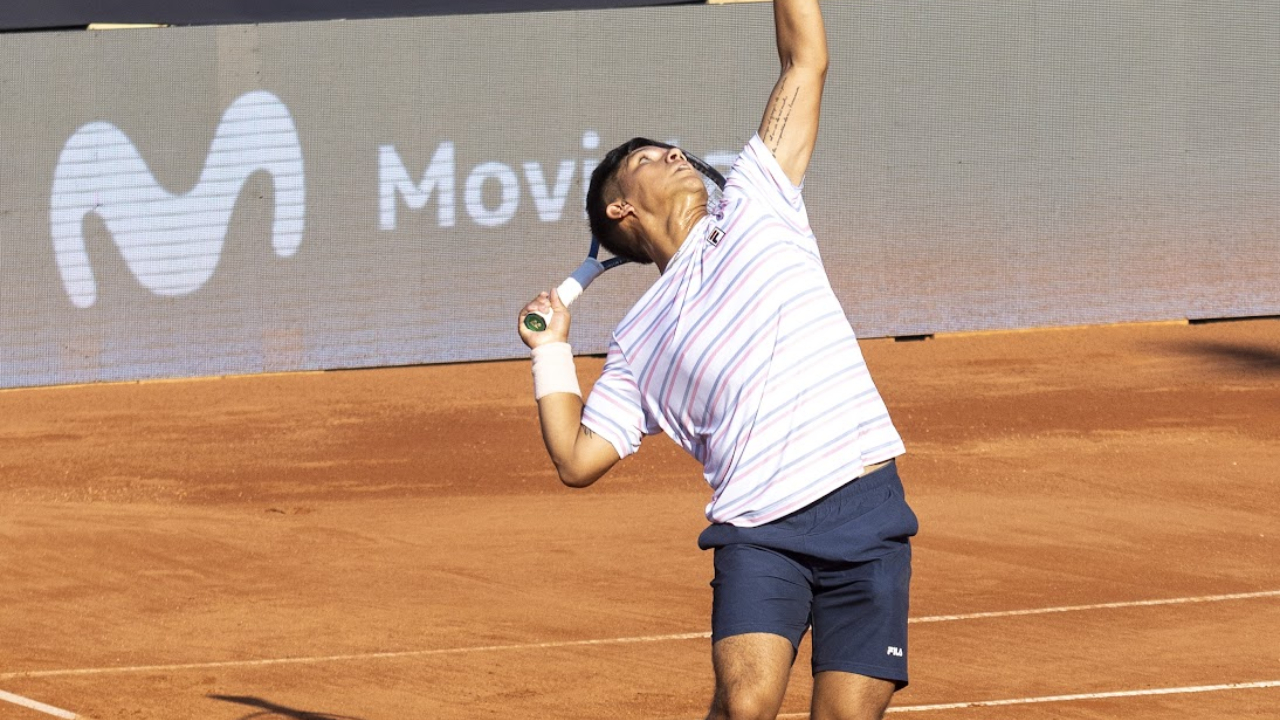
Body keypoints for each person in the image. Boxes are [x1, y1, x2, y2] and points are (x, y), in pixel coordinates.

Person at [517, 2, 917, 718]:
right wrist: (551, 353)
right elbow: (576, 459)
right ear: (619, 212)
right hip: (760, 531)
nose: (672, 153)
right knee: (745, 704)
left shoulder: (758, 200)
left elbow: (806, 59)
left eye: (669, 147)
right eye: (646, 158)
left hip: (864, 506)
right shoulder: (637, 342)